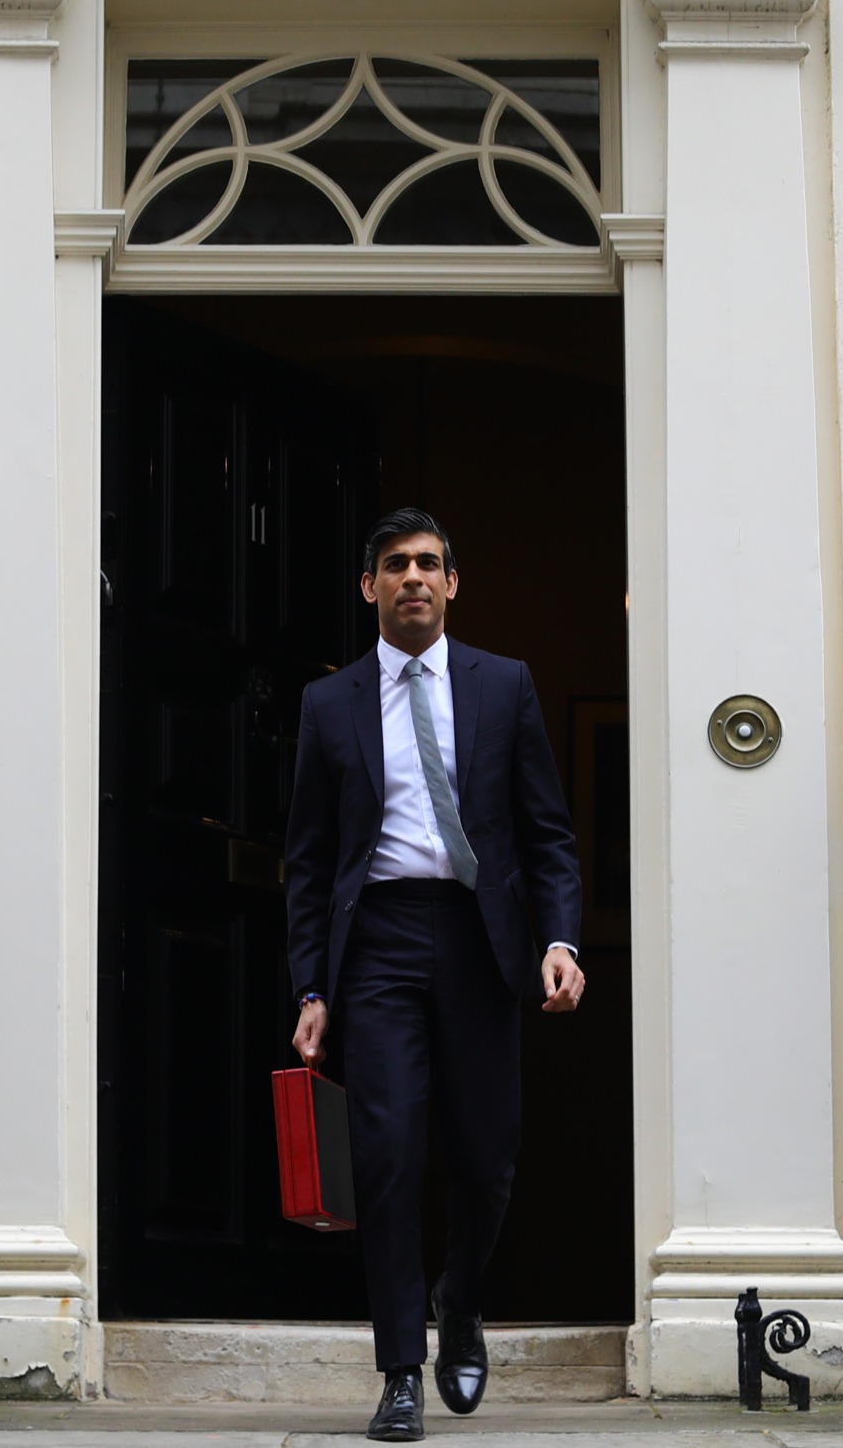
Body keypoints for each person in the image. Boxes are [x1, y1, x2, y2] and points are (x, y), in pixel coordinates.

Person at [285, 508, 587, 1442]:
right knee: (386, 1156)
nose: (411, 576)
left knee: (487, 1156)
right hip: (376, 941)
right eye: (393, 564)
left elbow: (547, 833)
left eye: (427, 563)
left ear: (452, 583)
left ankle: (459, 1297)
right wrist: (311, 987)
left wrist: (561, 939)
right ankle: (399, 1371)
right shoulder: (327, 703)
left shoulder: (506, 684)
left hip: (478, 938)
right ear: (368, 586)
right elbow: (308, 860)